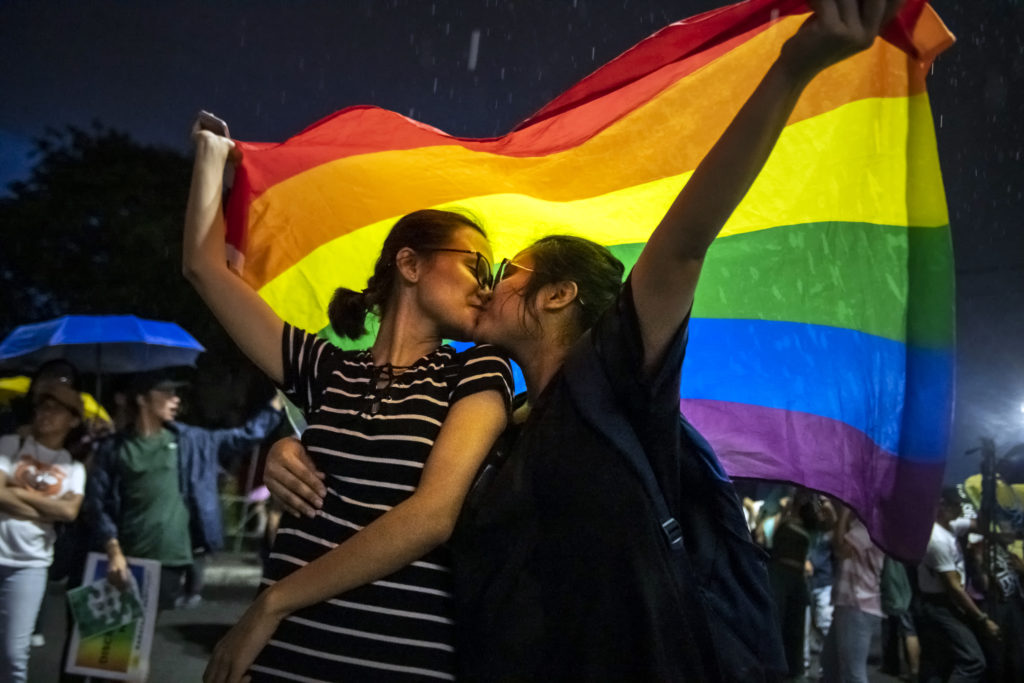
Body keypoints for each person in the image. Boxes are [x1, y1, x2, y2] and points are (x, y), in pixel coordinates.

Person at [263, 1, 904, 679]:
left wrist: (792, 69)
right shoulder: (498, 430)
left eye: (508, 272)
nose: (488, 285)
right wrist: (290, 450)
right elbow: (395, 497)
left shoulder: (615, 381)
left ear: (559, 295)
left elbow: (684, 244)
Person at [185, 115, 513, 681]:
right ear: (410, 264)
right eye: (474, 264)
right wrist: (213, 157)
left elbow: (433, 517)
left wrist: (272, 601)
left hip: (394, 659)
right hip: (282, 658)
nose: (486, 285)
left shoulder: (479, 371)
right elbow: (204, 269)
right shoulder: (324, 369)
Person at [83, 370, 283, 610]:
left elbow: (249, 435)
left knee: (144, 636)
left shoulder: (192, 441)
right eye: (166, 392)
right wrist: (112, 549)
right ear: (141, 399)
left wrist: (279, 402)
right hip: (124, 558)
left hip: (171, 560)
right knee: (107, 642)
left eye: (176, 393)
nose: (175, 399)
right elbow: (97, 503)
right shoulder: (114, 448)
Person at [0, 381, 87, 683]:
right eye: (42, 406)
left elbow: (69, 512)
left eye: (56, 409)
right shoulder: (11, 445)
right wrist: (45, 507)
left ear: (73, 420)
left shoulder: (74, 468)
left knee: (14, 654)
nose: (45, 413)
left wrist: (14, 491)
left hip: (30, 565)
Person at [915, 487, 998, 683]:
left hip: (940, 603)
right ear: (941, 506)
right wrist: (982, 619)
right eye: (955, 505)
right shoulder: (936, 539)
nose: (960, 508)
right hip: (938, 605)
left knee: (938, 662)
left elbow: (979, 525)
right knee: (973, 661)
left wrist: (987, 503)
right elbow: (953, 587)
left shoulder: (950, 526)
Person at [820, 504, 885, 683]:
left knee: (853, 673)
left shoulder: (868, 527)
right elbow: (836, 538)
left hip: (857, 604)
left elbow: (841, 549)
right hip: (849, 603)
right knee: (830, 664)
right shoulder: (860, 526)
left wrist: (843, 513)